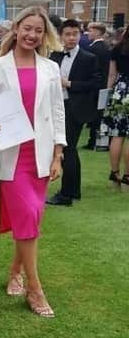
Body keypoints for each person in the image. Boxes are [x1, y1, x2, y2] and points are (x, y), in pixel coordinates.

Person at [0, 6, 66, 317]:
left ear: (45, 35)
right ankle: (34, 288)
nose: (32, 35)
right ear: (16, 29)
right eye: (27, 28)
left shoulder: (50, 69)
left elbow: (58, 112)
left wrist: (59, 153)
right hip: (12, 155)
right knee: (28, 216)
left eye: (38, 30)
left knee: (31, 220)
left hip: (41, 155)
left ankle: (16, 270)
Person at [47, 19, 101, 206]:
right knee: (67, 149)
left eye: (75, 34)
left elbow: (95, 83)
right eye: (67, 34)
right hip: (56, 107)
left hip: (75, 108)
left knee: (67, 149)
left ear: (80, 34)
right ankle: (72, 191)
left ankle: (67, 194)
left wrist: (70, 84)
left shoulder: (89, 57)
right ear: (61, 36)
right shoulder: (54, 56)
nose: (71, 38)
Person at [103, 27, 129, 188]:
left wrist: (107, 95)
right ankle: (127, 176)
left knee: (117, 135)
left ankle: (114, 173)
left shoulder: (117, 48)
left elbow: (112, 75)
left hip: (120, 92)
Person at [84, 22, 111, 150]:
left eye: (90, 31)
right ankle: (99, 141)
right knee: (100, 115)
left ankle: (93, 141)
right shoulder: (106, 47)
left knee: (95, 115)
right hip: (104, 85)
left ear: (97, 32)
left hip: (95, 86)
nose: (88, 33)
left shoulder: (93, 49)